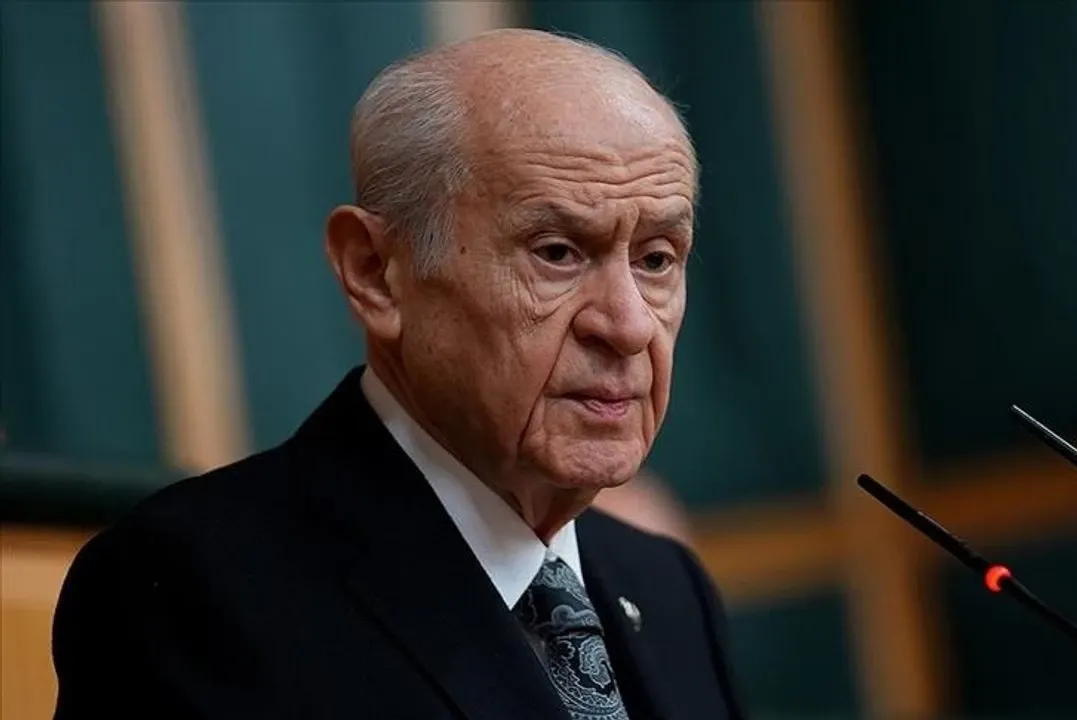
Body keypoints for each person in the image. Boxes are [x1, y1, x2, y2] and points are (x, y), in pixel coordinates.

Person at [50, 29, 747, 720]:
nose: (628, 326)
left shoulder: (666, 587)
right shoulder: (191, 592)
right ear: (375, 272)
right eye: (557, 252)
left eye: (657, 259)